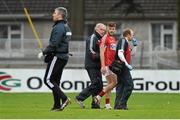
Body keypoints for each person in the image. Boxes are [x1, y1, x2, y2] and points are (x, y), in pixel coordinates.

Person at [38, 7, 72, 111]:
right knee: (55, 81)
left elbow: (54, 43)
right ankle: (57, 105)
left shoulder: (59, 27)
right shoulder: (66, 27)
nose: (53, 14)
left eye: (55, 13)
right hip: (64, 57)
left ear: (60, 15)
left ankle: (64, 98)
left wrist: (44, 52)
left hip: (57, 56)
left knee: (48, 80)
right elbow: (63, 43)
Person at [75, 23, 106, 109]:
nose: (103, 31)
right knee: (96, 83)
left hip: (97, 65)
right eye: (101, 29)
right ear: (96, 29)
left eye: (104, 30)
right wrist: (103, 56)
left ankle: (95, 104)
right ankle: (79, 97)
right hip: (92, 64)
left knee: (99, 85)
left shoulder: (101, 39)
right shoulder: (93, 37)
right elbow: (91, 52)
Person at [94, 22, 118, 109]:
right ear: (107, 28)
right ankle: (98, 96)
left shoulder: (113, 38)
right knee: (114, 83)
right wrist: (103, 65)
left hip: (112, 64)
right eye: (110, 29)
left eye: (113, 29)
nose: (112, 30)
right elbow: (101, 52)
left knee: (109, 85)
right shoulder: (105, 38)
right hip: (108, 64)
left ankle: (107, 104)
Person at [114, 28, 135, 110]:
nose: (133, 37)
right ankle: (122, 104)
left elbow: (132, 54)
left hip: (121, 67)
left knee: (121, 86)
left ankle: (117, 105)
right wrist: (126, 64)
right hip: (122, 66)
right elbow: (120, 53)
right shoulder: (123, 41)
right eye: (132, 35)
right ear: (128, 35)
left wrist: (135, 46)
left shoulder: (127, 43)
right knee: (130, 85)